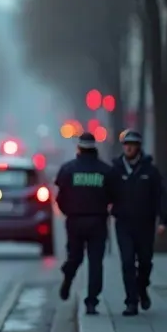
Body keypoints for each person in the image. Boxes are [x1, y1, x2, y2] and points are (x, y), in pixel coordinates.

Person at [55, 131, 117, 315]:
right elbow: (113, 196)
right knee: (96, 262)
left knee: (75, 257)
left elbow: (60, 198)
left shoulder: (67, 169)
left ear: (79, 148)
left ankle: (68, 276)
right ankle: (91, 302)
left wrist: (69, 212)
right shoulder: (106, 170)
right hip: (98, 221)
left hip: (74, 221)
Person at [112, 129, 167, 316]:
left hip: (145, 224)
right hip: (123, 223)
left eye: (132, 145)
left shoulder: (150, 171)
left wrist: (163, 220)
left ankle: (142, 288)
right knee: (127, 262)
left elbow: (161, 196)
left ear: (138, 148)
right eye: (126, 145)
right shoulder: (115, 170)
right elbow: (106, 192)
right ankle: (131, 301)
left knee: (145, 262)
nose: (128, 148)